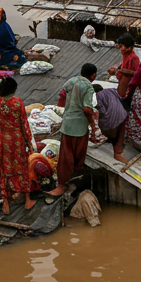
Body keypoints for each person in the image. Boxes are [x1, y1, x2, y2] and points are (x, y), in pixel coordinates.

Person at [47, 63, 99, 198]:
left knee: (66, 154)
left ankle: (65, 182)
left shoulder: (71, 81)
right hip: (79, 125)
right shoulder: (88, 87)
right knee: (76, 154)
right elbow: (87, 108)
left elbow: (63, 97)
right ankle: (63, 184)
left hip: (68, 122)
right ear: (93, 75)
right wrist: (93, 126)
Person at [0, 77, 39, 213]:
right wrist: (29, 141)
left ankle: (5, 202)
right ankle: (28, 200)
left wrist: (2, 124)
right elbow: (24, 123)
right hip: (15, 139)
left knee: (3, 167)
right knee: (21, 166)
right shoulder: (17, 103)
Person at [91, 82, 128, 162]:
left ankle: (113, 140)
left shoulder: (98, 97)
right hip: (124, 116)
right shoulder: (113, 90)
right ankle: (116, 139)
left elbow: (102, 113)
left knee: (103, 123)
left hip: (114, 122)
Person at [108, 32, 140, 108]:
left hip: (128, 92)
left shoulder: (133, 58)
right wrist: (116, 70)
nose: (120, 49)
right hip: (122, 88)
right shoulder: (126, 57)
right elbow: (122, 69)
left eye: (121, 47)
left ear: (129, 48)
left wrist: (118, 71)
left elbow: (136, 74)